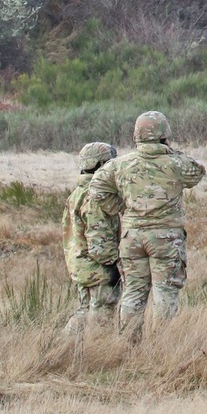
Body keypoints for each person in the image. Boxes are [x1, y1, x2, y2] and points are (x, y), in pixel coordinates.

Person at [85, 110, 205, 337]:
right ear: (164, 134)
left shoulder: (120, 165)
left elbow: (96, 188)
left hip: (133, 237)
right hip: (166, 238)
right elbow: (197, 171)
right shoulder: (175, 163)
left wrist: (121, 208)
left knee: (133, 292)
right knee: (165, 292)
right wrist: (169, 150)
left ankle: (129, 343)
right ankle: (160, 344)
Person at [61, 140, 121, 334]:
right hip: (99, 271)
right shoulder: (95, 197)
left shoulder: (76, 194)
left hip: (81, 268)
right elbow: (99, 244)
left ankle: (63, 351)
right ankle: (96, 358)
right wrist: (114, 269)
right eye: (111, 164)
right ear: (100, 166)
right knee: (101, 323)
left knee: (83, 312)